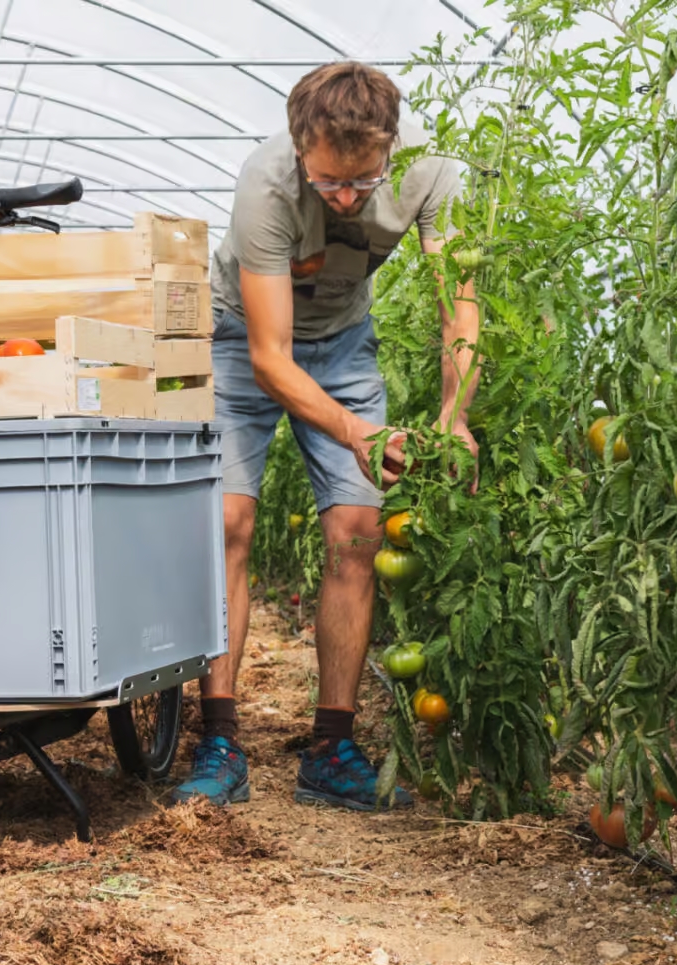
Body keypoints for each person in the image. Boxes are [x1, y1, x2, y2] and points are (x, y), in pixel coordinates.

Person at [170, 60, 481, 812]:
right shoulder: (267, 183)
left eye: (363, 181)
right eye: (328, 182)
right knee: (227, 522)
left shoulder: (432, 170)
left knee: (356, 532)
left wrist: (455, 413)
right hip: (244, 342)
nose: (344, 198)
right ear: (300, 146)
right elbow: (270, 359)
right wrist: (358, 434)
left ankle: (331, 750)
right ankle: (219, 740)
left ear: (390, 147)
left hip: (343, 344)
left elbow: (459, 306)